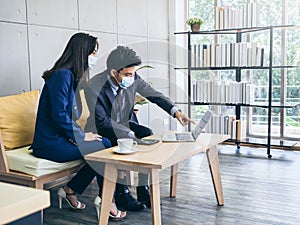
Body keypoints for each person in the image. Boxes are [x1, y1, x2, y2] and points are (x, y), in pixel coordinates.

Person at [84, 45, 193, 211]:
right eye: (128, 74)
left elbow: (154, 94)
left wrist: (176, 112)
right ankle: (122, 193)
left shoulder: (132, 77)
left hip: (124, 124)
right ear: (114, 73)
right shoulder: (94, 85)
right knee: (119, 139)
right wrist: (127, 133)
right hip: (102, 130)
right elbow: (102, 121)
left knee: (146, 134)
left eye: (133, 73)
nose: (132, 77)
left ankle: (143, 189)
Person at [30, 33, 126, 221]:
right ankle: (107, 201)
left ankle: (72, 189)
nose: (95, 57)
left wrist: (82, 135)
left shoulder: (70, 76)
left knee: (103, 144)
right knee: (104, 146)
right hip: (49, 144)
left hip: (61, 139)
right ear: (83, 53)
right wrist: (82, 137)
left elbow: (68, 115)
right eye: (93, 53)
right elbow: (59, 116)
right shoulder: (61, 76)